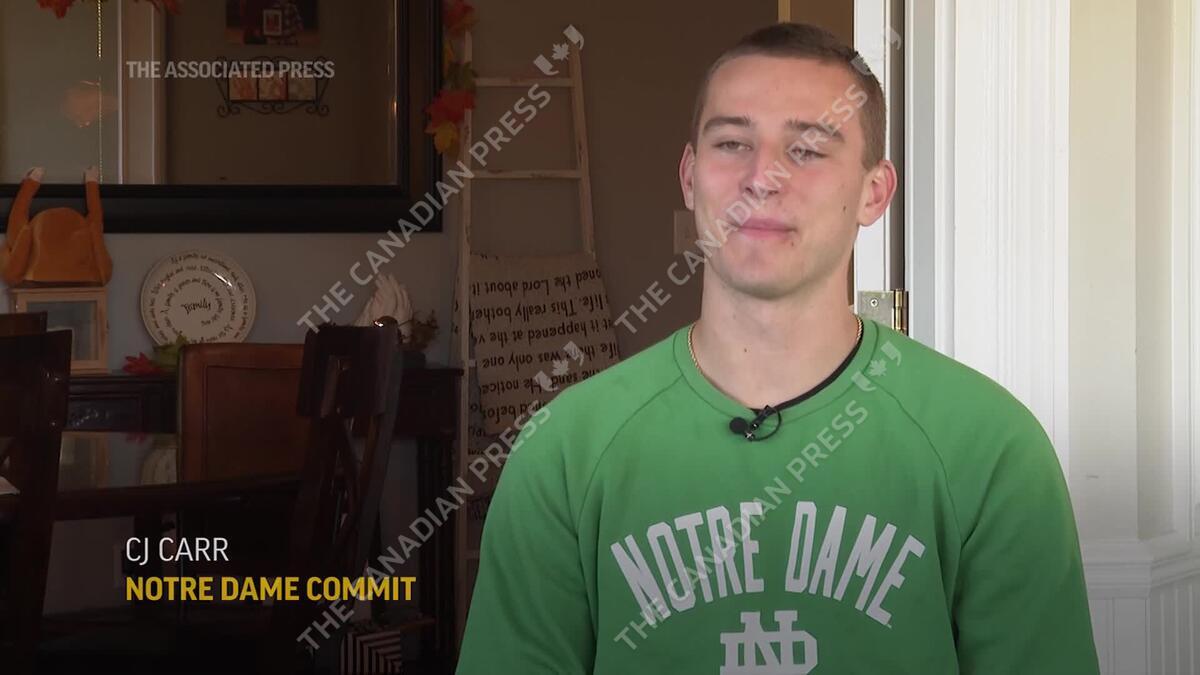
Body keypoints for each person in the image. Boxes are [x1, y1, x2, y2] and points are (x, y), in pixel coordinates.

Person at [457, 22, 1100, 674]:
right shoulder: (564, 452)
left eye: (809, 149)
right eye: (732, 143)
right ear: (690, 177)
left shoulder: (991, 449)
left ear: (874, 192)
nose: (762, 177)